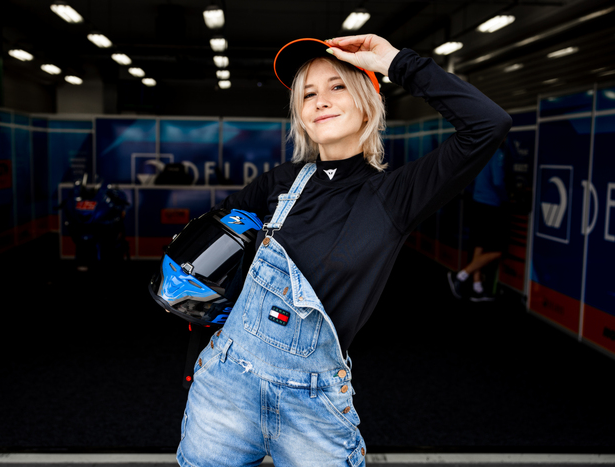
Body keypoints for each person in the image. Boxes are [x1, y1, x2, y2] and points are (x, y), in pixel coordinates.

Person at [176, 34, 511, 466]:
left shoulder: (396, 196)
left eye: (337, 86)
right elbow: (208, 273)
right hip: (226, 388)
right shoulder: (277, 183)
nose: (321, 101)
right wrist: (198, 365)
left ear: (367, 103)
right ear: (300, 113)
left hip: (312, 406)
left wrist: (396, 62)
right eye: (308, 93)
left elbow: (488, 124)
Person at [447, 142, 509, 302]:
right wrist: (507, 198)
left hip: (477, 203)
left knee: (479, 246)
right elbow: (498, 181)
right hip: (490, 206)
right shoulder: (497, 153)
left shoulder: (482, 151)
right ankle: (461, 276)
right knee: (498, 251)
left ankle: (477, 288)